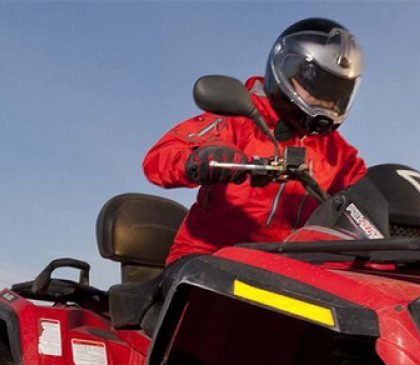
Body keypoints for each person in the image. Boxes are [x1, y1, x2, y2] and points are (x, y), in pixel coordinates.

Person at [143, 17, 368, 265]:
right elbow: (160, 158)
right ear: (285, 68)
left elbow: (369, 196)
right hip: (210, 260)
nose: (325, 101)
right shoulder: (239, 118)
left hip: (292, 272)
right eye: (316, 85)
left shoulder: (339, 154)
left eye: (335, 93)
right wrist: (203, 158)